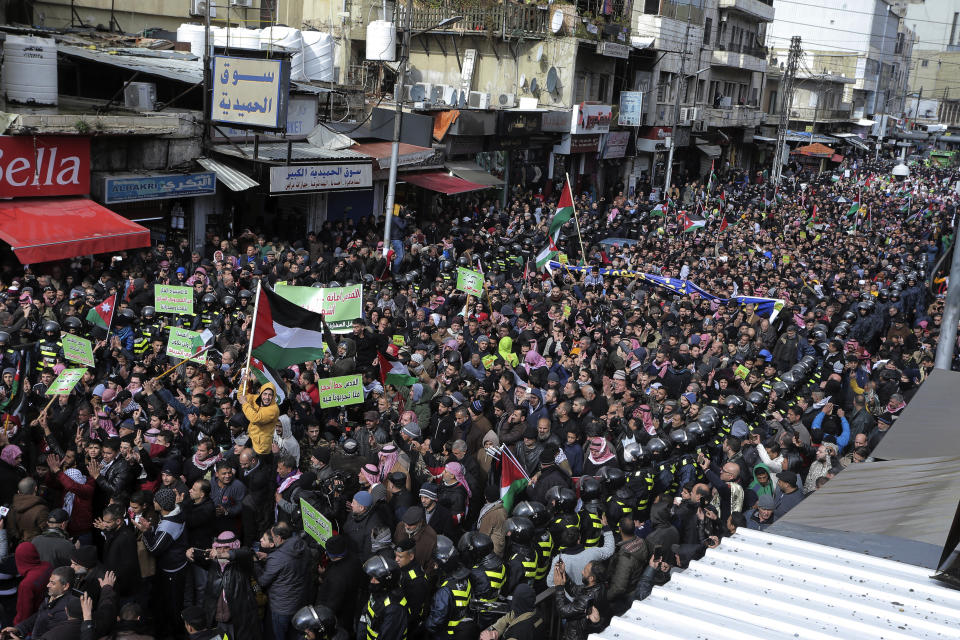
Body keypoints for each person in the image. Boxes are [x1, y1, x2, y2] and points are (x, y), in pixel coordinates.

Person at [254, 523, 311, 640]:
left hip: (282, 608)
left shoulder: (277, 558)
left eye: (273, 536)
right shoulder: (303, 546)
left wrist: (256, 564)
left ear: (279, 538)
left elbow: (263, 581)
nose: (273, 538)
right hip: (300, 602)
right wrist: (269, 556)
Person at [360, 556, 408, 640]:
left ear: (387, 582)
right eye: (372, 577)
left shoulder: (394, 608)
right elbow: (366, 613)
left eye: (377, 579)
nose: (372, 581)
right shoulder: (378, 592)